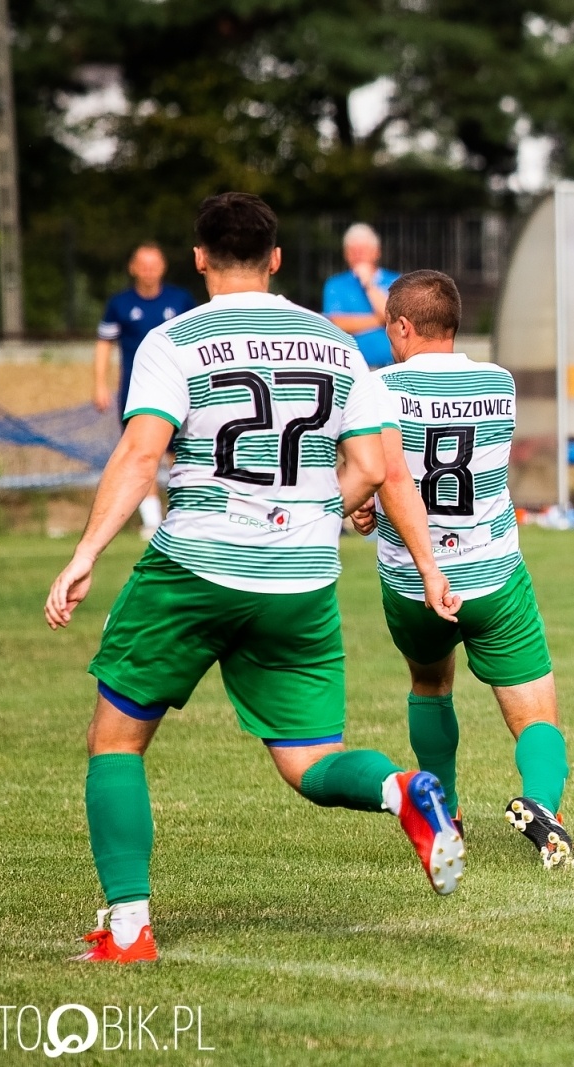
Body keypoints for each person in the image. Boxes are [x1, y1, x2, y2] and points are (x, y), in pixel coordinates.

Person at [45, 193, 467, 965]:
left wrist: (86, 553)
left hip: (195, 568)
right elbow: (379, 467)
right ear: (276, 259)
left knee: (117, 740)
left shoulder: (175, 339)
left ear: (198, 257)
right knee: (310, 761)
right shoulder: (338, 344)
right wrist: (414, 558)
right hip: (300, 579)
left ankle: (130, 930)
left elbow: (141, 454)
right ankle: (401, 789)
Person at [350, 270, 574, 869]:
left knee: (430, 686)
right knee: (537, 715)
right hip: (492, 575)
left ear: (402, 327)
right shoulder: (498, 383)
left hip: (412, 581)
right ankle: (542, 802)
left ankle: (445, 813)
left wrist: (365, 507)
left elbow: (379, 472)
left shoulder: (378, 388)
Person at [93, 244, 195, 539]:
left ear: (163, 267)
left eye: (154, 264)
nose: (149, 271)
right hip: (137, 392)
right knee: (143, 453)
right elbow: (104, 344)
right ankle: (152, 520)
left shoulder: (180, 300)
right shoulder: (120, 304)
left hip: (179, 389)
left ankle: (182, 515)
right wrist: (99, 384)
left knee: (180, 453)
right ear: (133, 268)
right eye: (144, 265)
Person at [323, 222, 401, 370]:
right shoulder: (335, 284)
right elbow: (336, 324)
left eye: (363, 249)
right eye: (353, 250)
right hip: (351, 368)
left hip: (391, 365)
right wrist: (382, 319)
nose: (358, 254)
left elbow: (398, 319)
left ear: (376, 252)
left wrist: (369, 284)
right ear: (345, 254)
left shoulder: (397, 281)